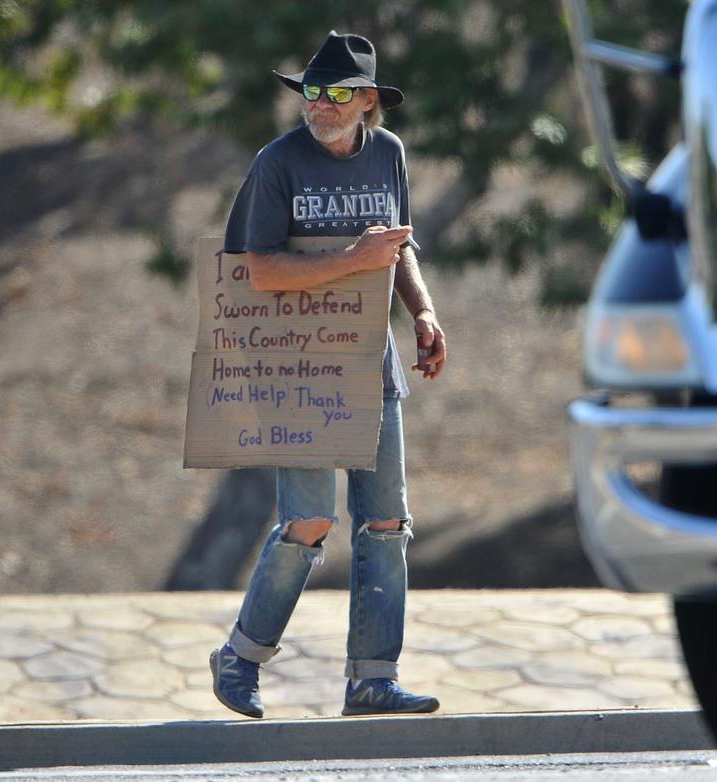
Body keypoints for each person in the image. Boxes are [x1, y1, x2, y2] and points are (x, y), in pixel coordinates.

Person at [211, 31, 448, 718]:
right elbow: (259, 269)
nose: (321, 104)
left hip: (369, 364)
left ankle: (373, 679)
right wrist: (354, 256)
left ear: (368, 101)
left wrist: (425, 313)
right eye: (312, 91)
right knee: (309, 520)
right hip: (296, 367)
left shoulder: (390, 156)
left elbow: (397, 250)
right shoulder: (277, 163)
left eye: (339, 93)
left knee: (386, 522)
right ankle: (241, 659)